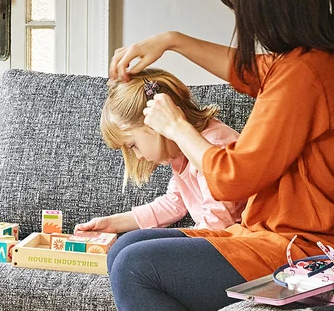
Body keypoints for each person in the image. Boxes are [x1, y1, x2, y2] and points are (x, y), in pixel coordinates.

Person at [104, 0, 334, 310]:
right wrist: (173, 41)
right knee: (127, 248)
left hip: (318, 249)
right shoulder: (318, 59)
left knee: (135, 267)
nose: (235, 10)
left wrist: (178, 127)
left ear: (266, 0)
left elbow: (232, 178)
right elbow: (249, 71)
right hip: (283, 236)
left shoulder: (305, 73)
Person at [78, 68, 244, 234]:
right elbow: (173, 203)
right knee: (128, 246)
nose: (138, 156)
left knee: (133, 251)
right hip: (213, 238)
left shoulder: (213, 146)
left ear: (153, 122)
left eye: (132, 145)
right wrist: (112, 224)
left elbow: (218, 222)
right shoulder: (180, 153)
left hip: (238, 242)